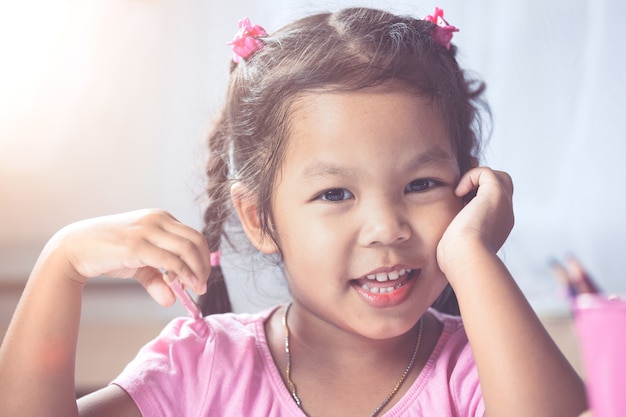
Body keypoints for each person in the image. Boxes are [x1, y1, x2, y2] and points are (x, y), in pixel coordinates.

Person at [0, 6, 587, 417]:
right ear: (258, 220)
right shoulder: (204, 367)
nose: (386, 227)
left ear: (466, 191)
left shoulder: (479, 365)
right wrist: (62, 264)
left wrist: (470, 253)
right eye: (335, 194)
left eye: (423, 183)